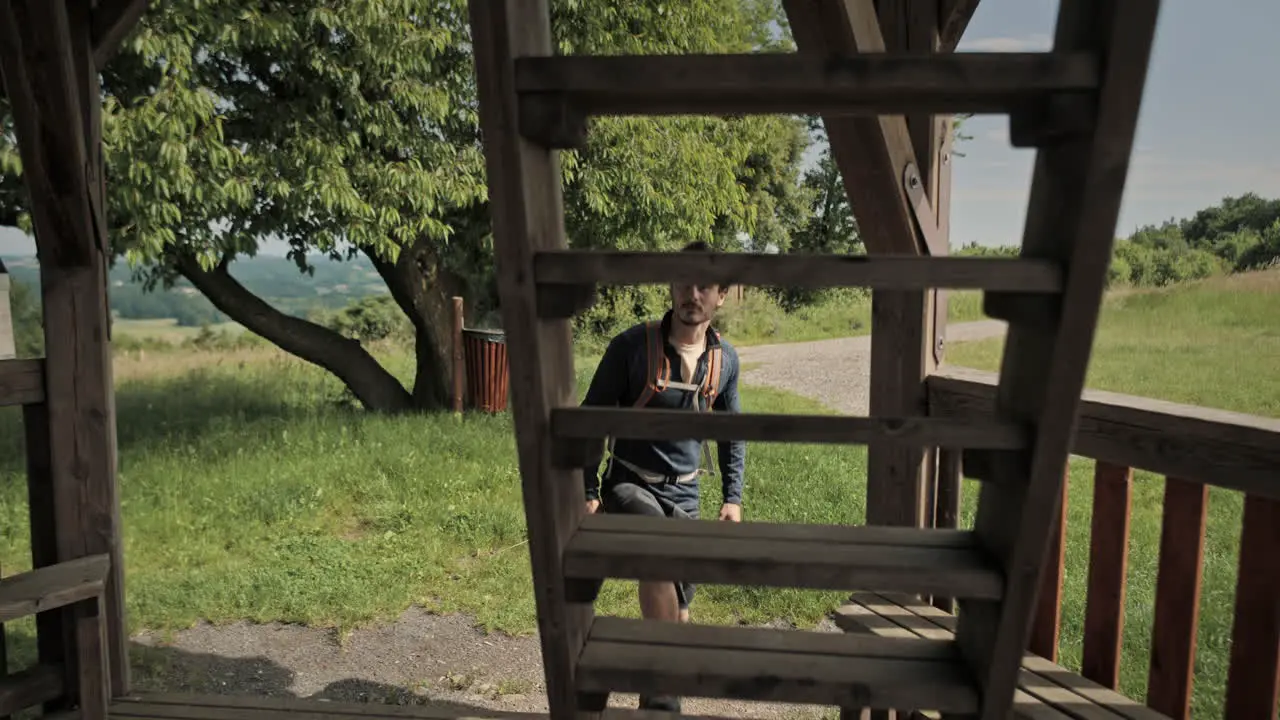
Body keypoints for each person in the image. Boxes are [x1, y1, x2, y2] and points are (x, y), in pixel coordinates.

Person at [579, 240, 745, 713]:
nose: (692, 293)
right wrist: (589, 489)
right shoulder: (632, 346)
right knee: (658, 553)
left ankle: (647, 673)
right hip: (629, 484)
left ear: (721, 295)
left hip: (686, 494)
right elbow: (592, 418)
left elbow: (733, 435)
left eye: (704, 286)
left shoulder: (724, 361)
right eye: (683, 282)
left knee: (681, 606)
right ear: (671, 286)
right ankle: (660, 704)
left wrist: (732, 498)